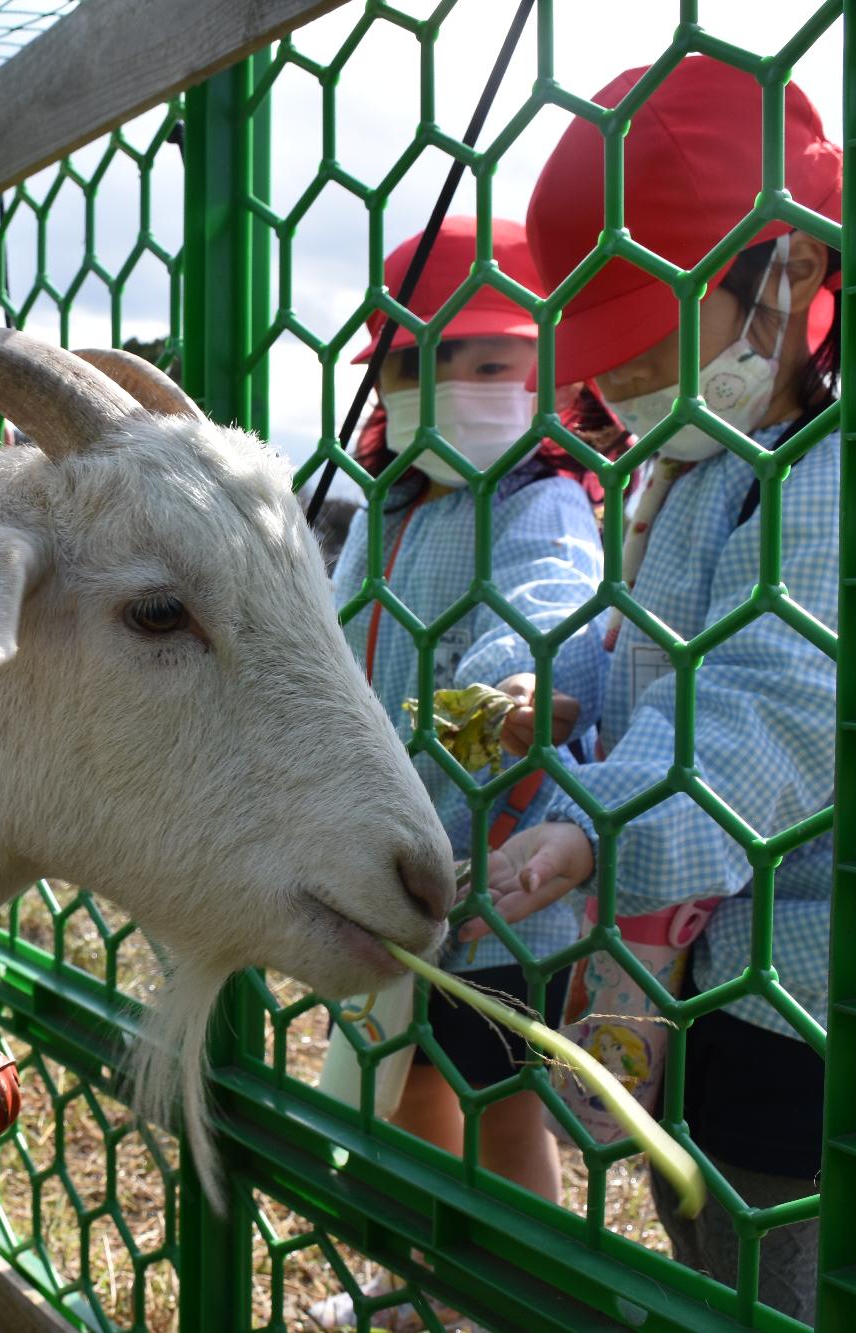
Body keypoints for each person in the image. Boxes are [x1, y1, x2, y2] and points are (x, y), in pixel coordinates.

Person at [465, 57, 855, 1322]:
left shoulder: (828, 474)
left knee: (766, 1247)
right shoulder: (689, 471)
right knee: (695, 1212)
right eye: (602, 356)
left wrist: (593, 826)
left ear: (785, 274)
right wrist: (544, 684)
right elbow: (630, 647)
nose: (618, 385)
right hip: (691, 946)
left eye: (643, 341)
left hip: (798, 967)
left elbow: (764, 715)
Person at [309, 216, 607, 1333]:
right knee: (407, 1084)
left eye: (491, 359)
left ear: (547, 372)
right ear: (383, 382)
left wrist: (500, 701)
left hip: (499, 867)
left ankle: (523, 1296)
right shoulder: (385, 510)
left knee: (495, 1097)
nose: (464, 384)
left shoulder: (542, 501)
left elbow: (543, 620)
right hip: (391, 862)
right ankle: (438, 1282)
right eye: (424, 361)